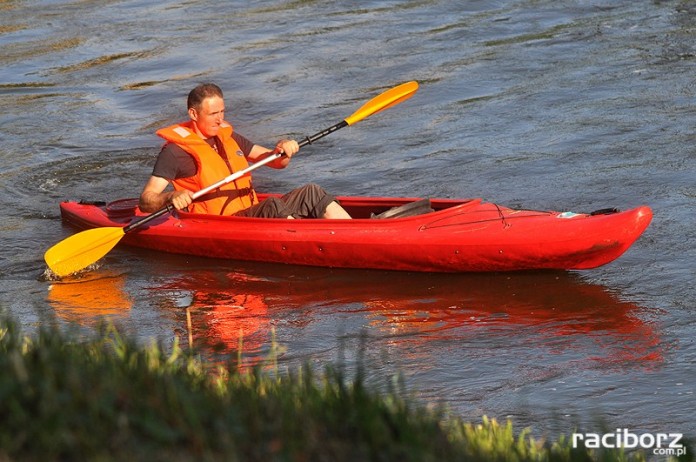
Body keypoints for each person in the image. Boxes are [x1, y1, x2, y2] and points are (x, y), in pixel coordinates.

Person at [139, 83, 351, 219]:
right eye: (213, 113)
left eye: (222, 111)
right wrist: (171, 197)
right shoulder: (175, 152)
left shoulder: (228, 136)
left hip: (249, 212)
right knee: (273, 206)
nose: (220, 119)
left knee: (311, 192)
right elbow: (146, 201)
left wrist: (283, 149)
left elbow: (275, 162)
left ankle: (351, 233)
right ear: (194, 114)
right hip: (222, 223)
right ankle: (313, 240)